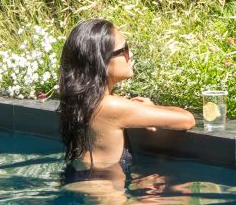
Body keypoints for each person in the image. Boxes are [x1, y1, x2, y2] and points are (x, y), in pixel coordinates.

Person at [57, 17, 197, 182]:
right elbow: (187, 120)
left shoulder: (82, 103)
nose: (130, 54)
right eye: (124, 49)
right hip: (108, 203)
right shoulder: (111, 106)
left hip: (82, 185)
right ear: (102, 61)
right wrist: (152, 108)